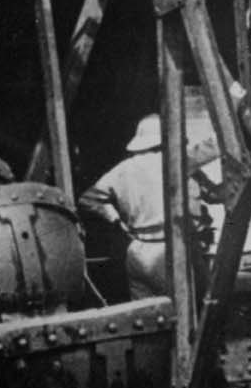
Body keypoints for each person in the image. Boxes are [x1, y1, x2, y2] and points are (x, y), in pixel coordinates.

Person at [77, 113, 213, 300]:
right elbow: (212, 147)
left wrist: (116, 220)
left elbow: (88, 199)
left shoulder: (123, 169)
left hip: (137, 252)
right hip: (171, 252)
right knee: (193, 310)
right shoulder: (176, 162)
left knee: (149, 313)